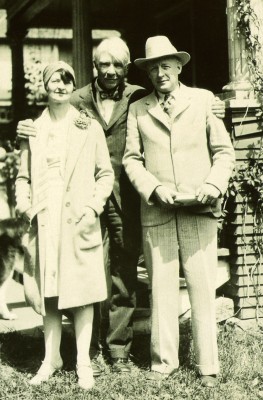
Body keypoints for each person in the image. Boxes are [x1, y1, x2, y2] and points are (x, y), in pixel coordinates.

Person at [16, 37, 226, 375]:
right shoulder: (75, 97)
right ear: (95, 66)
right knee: (85, 270)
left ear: (127, 68)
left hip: (128, 198)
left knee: (123, 275)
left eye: (118, 65)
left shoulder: (139, 97)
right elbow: (50, 123)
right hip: (83, 200)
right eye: (104, 64)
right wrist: (24, 128)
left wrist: (216, 106)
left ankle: (118, 353)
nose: (111, 71)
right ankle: (88, 351)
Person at [123, 36, 235, 387]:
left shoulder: (202, 101)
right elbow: (130, 158)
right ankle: (162, 364)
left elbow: (224, 152)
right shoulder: (139, 109)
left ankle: (208, 367)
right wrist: (154, 188)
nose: (160, 73)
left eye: (165, 66)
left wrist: (213, 185)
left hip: (198, 209)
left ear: (178, 67)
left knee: (202, 287)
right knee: (162, 288)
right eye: (153, 67)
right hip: (157, 211)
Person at [15, 61, 114, 391]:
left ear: (74, 85)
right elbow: (22, 177)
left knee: (83, 293)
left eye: (67, 79)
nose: (61, 84)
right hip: (45, 219)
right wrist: (25, 206)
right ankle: (52, 357)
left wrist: (92, 208)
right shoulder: (33, 129)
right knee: (50, 293)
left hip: (77, 218)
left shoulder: (88, 127)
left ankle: (83, 361)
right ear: (44, 85)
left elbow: (105, 174)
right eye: (55, 79)